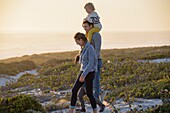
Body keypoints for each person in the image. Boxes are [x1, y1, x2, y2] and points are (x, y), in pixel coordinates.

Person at [67, 32, 97, 113]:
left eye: (77, 41)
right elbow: (84, 59)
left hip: (89, 73)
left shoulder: (90, 47)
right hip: (83, 71)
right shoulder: (83, 47)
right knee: (74, 90)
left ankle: (95, 110)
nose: (76, 43)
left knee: (89, 93)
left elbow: (91, 63)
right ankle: (71, 109)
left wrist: (83, 75)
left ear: (81, 39)